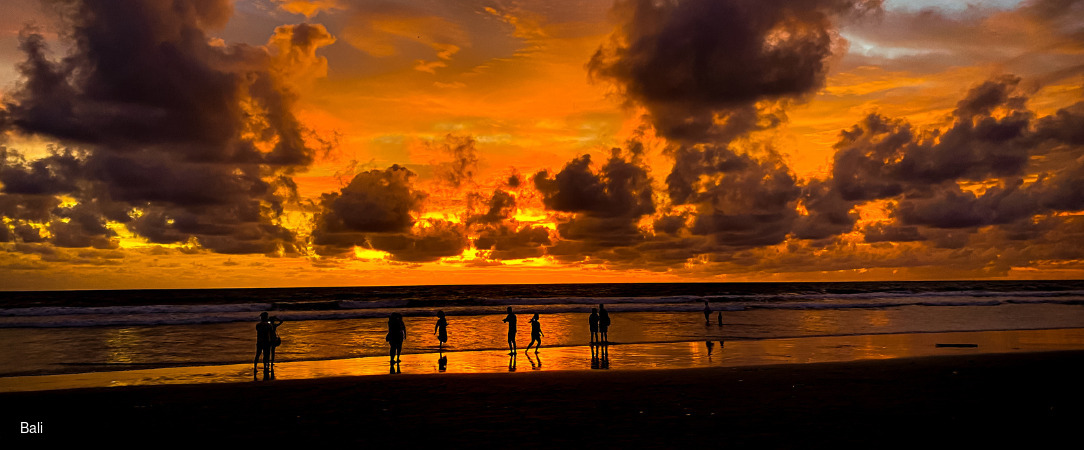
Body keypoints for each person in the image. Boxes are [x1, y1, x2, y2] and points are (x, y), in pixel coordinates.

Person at [253, 312, 272, 379]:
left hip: (259, 342)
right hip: (266, 342)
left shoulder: (258, 325)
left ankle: (255, 367)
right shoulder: (269, 325)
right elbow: (271, 332)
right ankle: (265, 368)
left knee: (257, 355)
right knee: (266, 355)